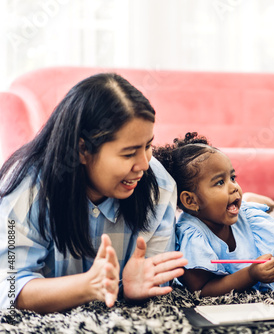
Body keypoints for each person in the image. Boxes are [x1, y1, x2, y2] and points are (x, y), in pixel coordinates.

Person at [0, 73, 188, 313]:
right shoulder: (28, 188)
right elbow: (9, 284)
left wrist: (131, 289)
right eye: (129, 153)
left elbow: (157, 280)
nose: (143, 164)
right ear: (82, 149)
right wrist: (87, 286)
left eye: (148, 146)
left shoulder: (159, 187)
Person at [153, 132, 274, 298]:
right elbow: (202, 290)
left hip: (240, 214)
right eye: (220, 182)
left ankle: (254, 201)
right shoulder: (190, 236)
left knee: (250, 213)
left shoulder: (247, 218)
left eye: (232, 178)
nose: (234, 187)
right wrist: (250, 275)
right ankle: (254, 200)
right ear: (191, 201)